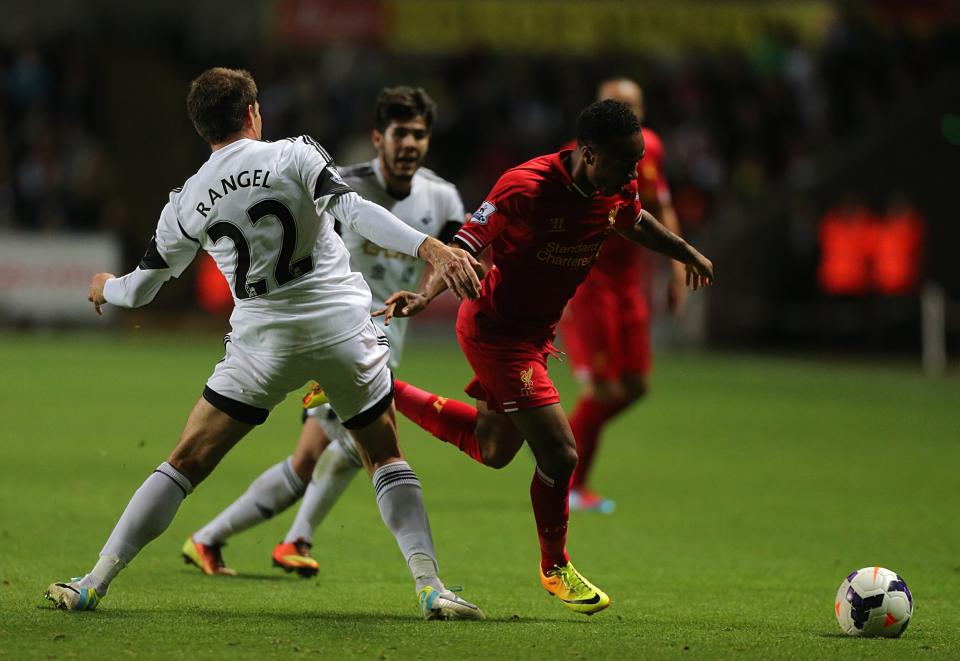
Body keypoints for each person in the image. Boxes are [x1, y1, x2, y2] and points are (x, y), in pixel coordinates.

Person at [44, 68, 485, 621]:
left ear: (202, 127)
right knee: (385, 456)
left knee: (185, 462)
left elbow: (139, 290)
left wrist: (104, 287)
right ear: (254, 112)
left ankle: (94, 580)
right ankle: (430, 587)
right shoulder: (294, 154)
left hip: (262, 347)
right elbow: (354, 211)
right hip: (344, 332)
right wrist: (431, 249)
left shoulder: (187, 201)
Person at [377, 100, 714, 615]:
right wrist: (426, 296)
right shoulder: (525, 187)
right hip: (495, 330)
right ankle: (555, 566)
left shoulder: (615, 185)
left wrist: (683, 251)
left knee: (493, 449)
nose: (632, 174)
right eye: (624, 163)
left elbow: (635, 219)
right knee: (560, 454)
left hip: (535, 334)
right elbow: (463, 245)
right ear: (588, 153)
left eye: (636, 163)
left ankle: (377, 388)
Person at [181, 86, 468, 578]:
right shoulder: (341, 185)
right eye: (400, 133)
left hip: (383, 346)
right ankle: (292, 537)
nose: (410, 144)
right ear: (379, 138)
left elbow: (457, 254)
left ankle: (211, 539)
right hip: (338, 338)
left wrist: (426, 294)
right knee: (350, 451)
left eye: (420, 135)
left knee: (310, 462)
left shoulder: (441, 197)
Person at [558, 77, 687, 513]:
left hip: (630, 282)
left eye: (631, 107)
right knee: (601, 390)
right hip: (589, 282)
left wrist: (675, 265)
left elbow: (662, 205)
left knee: (635, 386)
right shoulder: (582, 158)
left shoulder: (651, 150)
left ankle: (559, 440)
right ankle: (569, 482)